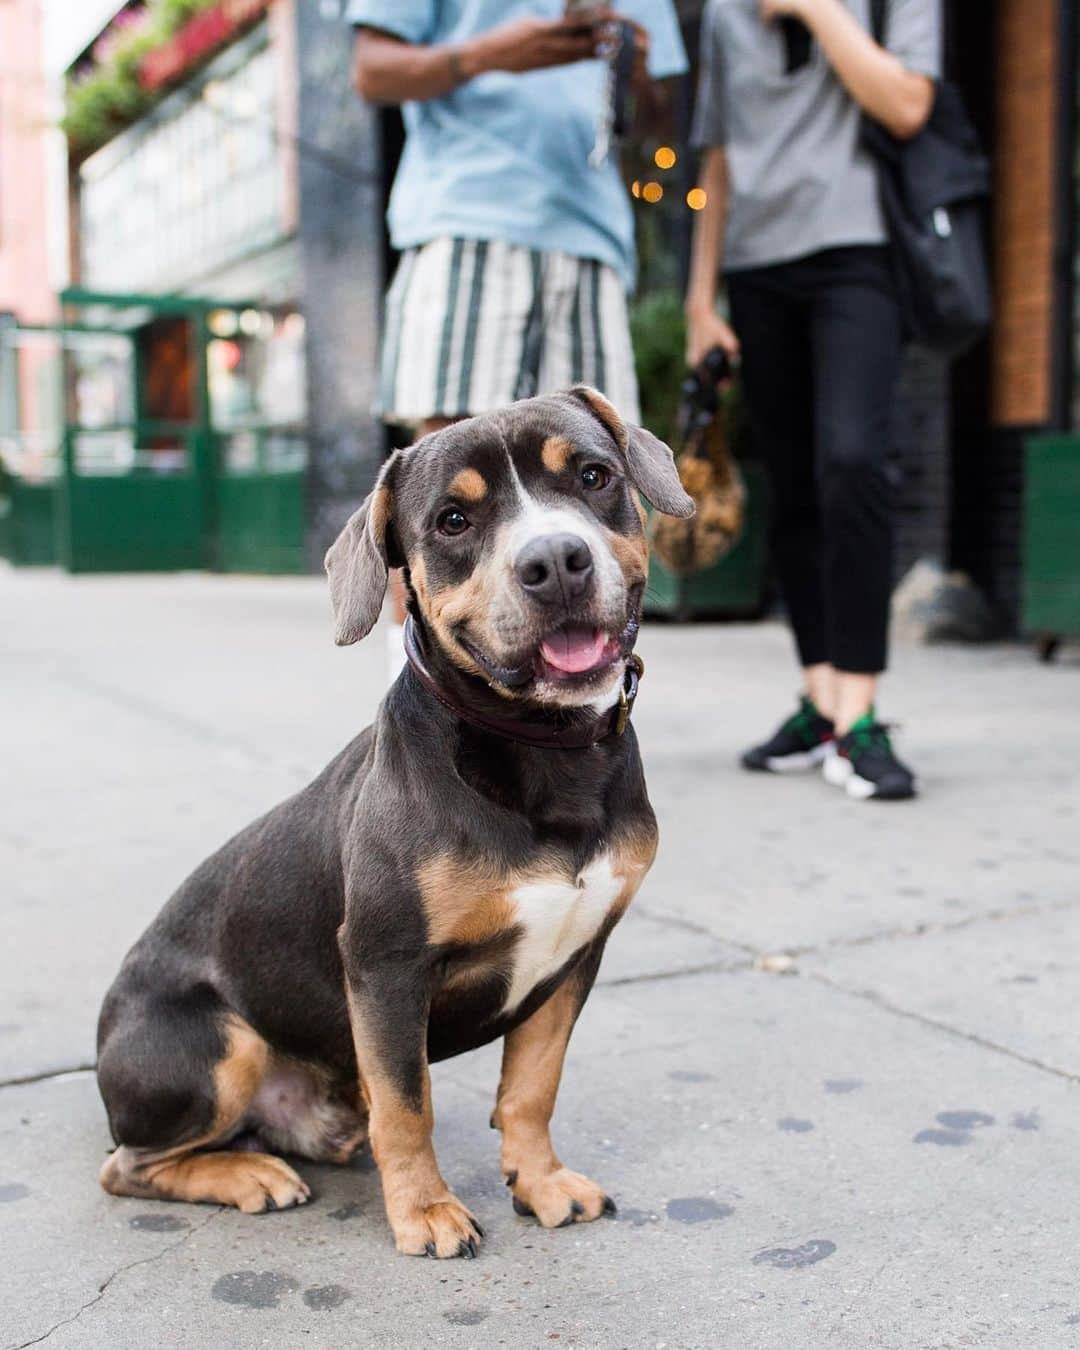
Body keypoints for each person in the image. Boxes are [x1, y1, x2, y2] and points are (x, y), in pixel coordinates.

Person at [347, 0, 687, 667]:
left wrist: (638, 76)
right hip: (467, 213)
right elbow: (372, 72)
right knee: (442, 481)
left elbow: (657, 123)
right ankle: (417, 715)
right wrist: (493, 52)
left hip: (592, 238)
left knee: (596, 469)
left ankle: (591, 704)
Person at [685, 0, 941, 801]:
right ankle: (820, 694)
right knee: (794, 484)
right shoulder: (727, 14)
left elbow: (906, 105)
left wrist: (814, 9)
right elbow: (718, 158)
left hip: (859, 255)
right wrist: (700, 300)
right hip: (761, 269)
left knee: (853, 462)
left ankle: (858, 715)